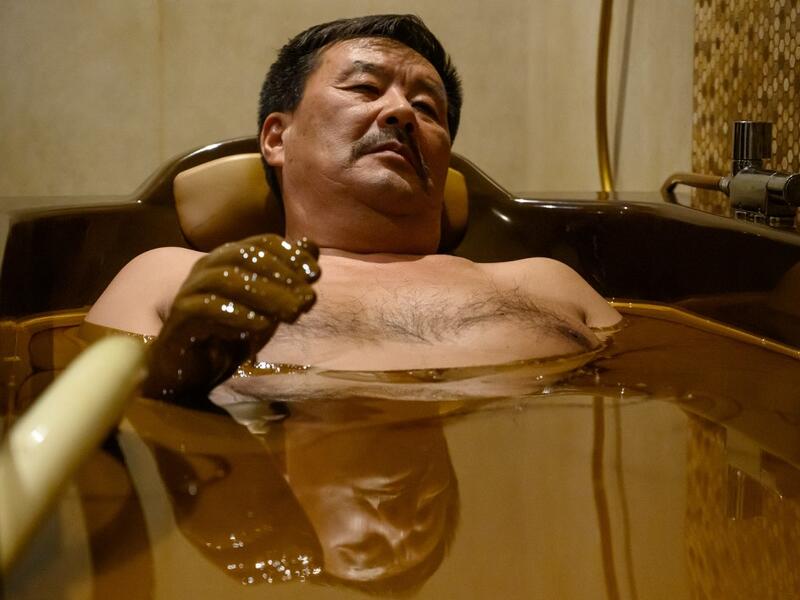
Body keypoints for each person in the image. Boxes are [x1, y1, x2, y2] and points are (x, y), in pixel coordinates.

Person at [85, 14, 621, 400]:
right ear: (277, 137)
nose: (401, 113)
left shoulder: (548, 284)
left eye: (427, 107)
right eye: (365, 87)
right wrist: (173, 374)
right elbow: (91, 427)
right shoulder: (168, 279)